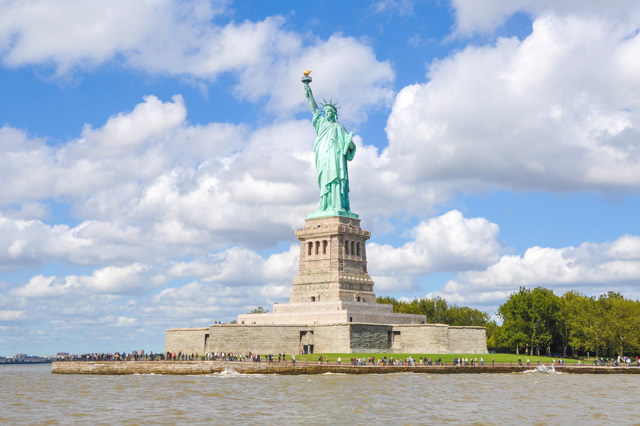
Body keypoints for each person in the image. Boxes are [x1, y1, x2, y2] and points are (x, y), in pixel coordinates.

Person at [303, 78, 356, 218]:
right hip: (324, 156)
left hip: (337, 157)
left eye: (329, 111)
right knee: (325, 180)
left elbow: (350, 146)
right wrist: (308, 91)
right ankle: (324, 205)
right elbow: (313, 109)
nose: (326, 113)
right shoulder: (321, 124)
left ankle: (338, 205)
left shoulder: (339, 128)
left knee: (337, 180)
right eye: (325, 111)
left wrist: (349, 144)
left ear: (334, 113)